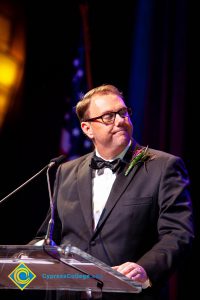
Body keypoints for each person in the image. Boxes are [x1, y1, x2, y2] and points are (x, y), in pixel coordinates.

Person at [31, 84, 194, 300]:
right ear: (87, 128)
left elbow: (178, 233)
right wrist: (30, 253)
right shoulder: (65, 171)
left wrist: (144, 268)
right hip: (68, 293)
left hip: (127, 293)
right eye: (108, 116)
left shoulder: (163, 167)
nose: (120, 121)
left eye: (123, 113)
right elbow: (49, 235)